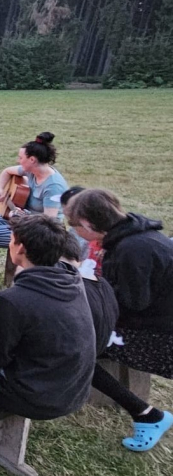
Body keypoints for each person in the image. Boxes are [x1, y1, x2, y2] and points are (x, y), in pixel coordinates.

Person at [66, 189, 173, 450]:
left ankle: (147, 415)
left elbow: (130, 305)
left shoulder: (131, 250)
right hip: (156, 323)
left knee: (77, 348)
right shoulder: (136, 235)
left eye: (75, 226)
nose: (75, 232)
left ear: (89, 224)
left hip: (160, 338)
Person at [0, 216, 95, 420]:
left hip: (36, 400)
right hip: (74, 392)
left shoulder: (13, 301)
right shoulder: (72, 281)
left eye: (12, 239)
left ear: (20, 248)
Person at [0, 132, 68, 262]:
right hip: (21, 221)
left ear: (32, 160)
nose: (18, 161)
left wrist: (24, 216)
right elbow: (7, 171)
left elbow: (48, 222)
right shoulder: (31, 171)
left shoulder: (53, 186)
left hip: (39, 233)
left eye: (21, 158)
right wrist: (0, 189)